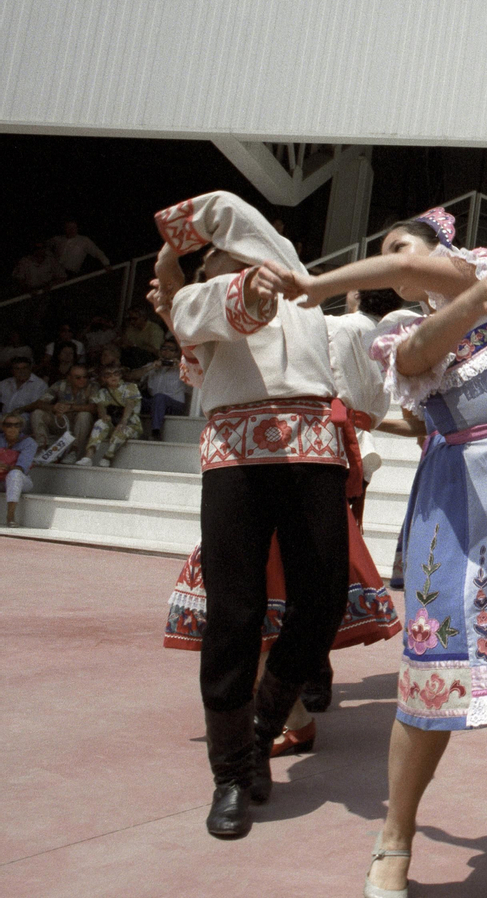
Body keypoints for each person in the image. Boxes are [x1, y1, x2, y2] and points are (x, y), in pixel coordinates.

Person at [265, 208, 487, 898]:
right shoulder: (401, 332)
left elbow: (409, 273)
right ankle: (396, 833)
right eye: (389, 253)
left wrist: (313, 283)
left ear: (441, 247)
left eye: (401, 247)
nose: (394, 263)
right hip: (459, 497)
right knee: (430, 680)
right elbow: (420, 354)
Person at [148, 190, 354, 840]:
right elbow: (211, 303)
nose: (244, 258)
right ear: (206, 264)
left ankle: (265, 726)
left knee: (322, 597)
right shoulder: (196, 300)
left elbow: (236, 214)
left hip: (313, 448)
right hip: (235, 458)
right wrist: (230, 283)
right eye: (221, 257)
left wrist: (272, 280)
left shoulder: (302, 289)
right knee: (233, 613)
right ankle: (231, 771)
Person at [77, 363, 142, 467]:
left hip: (131, 424)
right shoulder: (103, 392)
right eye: (108, 375)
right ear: (103, 378)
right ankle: (88, 457)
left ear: (120, 375)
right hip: (113, 421)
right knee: (100, 424)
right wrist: (103, 416)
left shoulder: (130, 387)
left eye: (116, 373)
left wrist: (124, 420)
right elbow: (101, 406)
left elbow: (130, 404)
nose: (113, 377)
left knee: (122, 429)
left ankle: (107, 456)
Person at [36, 363, 96, 462]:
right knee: (38, 413)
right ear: (69, 378)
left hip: (80, 425)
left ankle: (74, 451)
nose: (82, 380)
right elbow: (40, 403)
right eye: (78, 377)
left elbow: (94, 407)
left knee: (84, 415)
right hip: (60, 422)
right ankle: (42, 448)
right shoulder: (60, 384)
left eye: (85, 377)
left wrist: (71, 407)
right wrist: (53, 407)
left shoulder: (92, 386)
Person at [133, 339, 189, 440]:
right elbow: (132, 376)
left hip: (174, 404)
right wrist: (151, 368)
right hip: (155, 403)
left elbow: (196, 379)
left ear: (176, 353)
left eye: (171, 349)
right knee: (134, 397)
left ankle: (155, 432)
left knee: (159, 397)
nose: (166, 351)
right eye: (164, 348)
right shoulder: (153, 365)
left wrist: (181, 367)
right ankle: (131, 430)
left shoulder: (182, 367)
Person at [2, 412, 37, 527]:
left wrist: (5, 467)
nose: (12, 428)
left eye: (16, 425)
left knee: (15, 474)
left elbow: (22, 467)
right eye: (8, 425)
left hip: (20, 480)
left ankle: (10, 516)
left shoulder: (29, 443)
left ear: (21, 427)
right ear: (2, 427)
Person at [2, 356, 50, 422]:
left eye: (24, 368)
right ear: (12, 371)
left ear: (30, 368)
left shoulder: (39, 385)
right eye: (17, 369)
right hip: (3, 420)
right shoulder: (4, 383)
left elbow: (37, 406)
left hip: (24, 422)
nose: (21, 371)